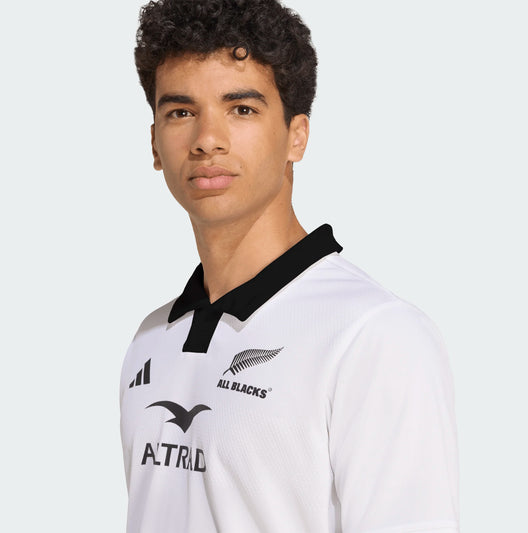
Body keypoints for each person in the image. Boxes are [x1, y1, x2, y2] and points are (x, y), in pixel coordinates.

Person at [119, 0, 460, 532]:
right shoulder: (151, 339)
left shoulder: (375, 337)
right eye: (181, 112)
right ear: (155, 143)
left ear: (296, 136)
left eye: (241, 109)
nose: (207, 140)